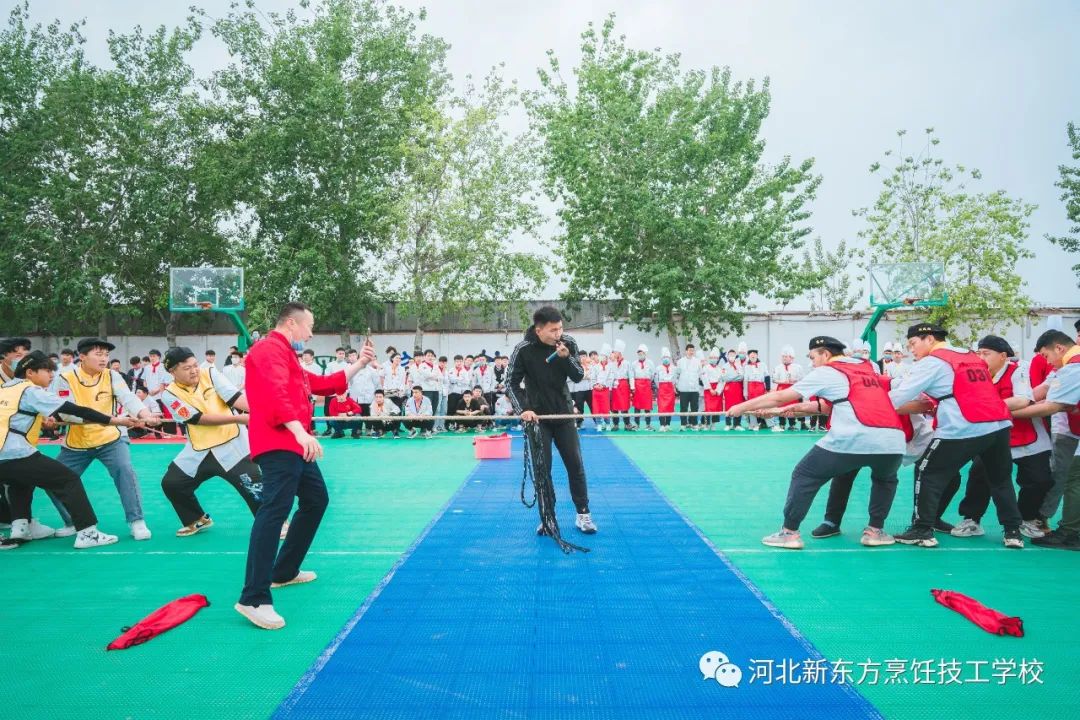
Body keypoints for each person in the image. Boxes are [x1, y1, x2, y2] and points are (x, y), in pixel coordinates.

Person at [235, 302, 376, 631]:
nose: (311, 334)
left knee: (316, 499)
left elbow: (320, 384)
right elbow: (275, 394)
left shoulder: (287, 355)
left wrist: (359, 364)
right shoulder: (268, 349)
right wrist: (299, 431)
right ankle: (253, 597)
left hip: (295, 444)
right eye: (309, 326)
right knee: (274, 512)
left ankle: (284, 571)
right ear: (291, 323)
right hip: (279, 443)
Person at [728, 337, 905, 550]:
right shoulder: (868, 370)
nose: (812, 363)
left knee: (805, 474)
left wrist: (740, 407)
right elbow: (828, 406)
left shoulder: (828, 371)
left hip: (854, 436)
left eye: (813, 357)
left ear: (825, 354)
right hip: (893, 440)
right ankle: (875, 531)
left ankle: (789, 533)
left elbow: (781, 396)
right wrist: (782, 411)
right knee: (885, 480)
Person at [887, 323, 1024, 549]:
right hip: (998, 425)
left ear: (929, 339)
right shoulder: (970, 356)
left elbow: (900, 395)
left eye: (913, 343)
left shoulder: (933, 361)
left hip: (964, 426)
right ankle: (1013, 532)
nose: (911, 349)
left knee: (927, 471)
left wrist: (867, 406)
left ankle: (922, 529)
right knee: (1000, 479)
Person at [1, 351, 137, 549]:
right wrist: (115, 420)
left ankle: (20, 529)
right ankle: (88, 533)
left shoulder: (5, 388)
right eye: (47, 371)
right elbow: (74, 410)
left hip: (4, 459)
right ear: (30, 372)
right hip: (14, 453)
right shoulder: (31, 391)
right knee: (68, 480)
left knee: (19, 480)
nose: (51, 375)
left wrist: (43, 420)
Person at [53, 338, 163, 540]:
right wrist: (112, 420)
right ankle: (72, 521)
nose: (104, 359)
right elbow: (66, 413)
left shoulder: (112, 375)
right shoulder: (64, 378)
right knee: (52, 479)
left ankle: (136, 521)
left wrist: (146, 414)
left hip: (111, 439)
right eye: (98, 354)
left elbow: (128, 398)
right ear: (82, 357)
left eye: (106, 355)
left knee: (125, 471)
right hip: (77, 442)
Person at [949, 336, 1053, 539]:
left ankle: (1026, 518)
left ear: (1003, 356)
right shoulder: (976, 374)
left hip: (1028, 433)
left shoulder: (1018, 369)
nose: (981, 358)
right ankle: (971, 519)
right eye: (978, 353)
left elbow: (1022, 400)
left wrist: (986, 406)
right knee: (979, 476)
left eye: (986, 353)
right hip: (993, 435)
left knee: (1039, 480)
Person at [507, 306, 596, 538]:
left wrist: (566, 358)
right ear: (539, 330)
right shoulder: (523, 349)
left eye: (560, 328)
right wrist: (524, 409)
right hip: (538, 418)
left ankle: (583, 513)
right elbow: (511, 383)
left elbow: (578, 375)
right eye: (553, 330)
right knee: (542, 468)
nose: (558, 334)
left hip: (563, 413)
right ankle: (548, 516)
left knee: (575, 464)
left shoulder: (568, 343)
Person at [159, 347, 262, 537]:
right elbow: (197, 418)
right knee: (173, 483)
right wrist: (238, 419)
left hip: (233, 446)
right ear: (172, 371)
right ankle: (196, 519)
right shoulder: (169, 394)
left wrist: (261, 412)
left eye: (194, 365)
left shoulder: (211, 373)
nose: (193, 371)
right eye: (186, 368)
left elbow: (234, 397)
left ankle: (277, 523)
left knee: (254, 489)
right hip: (200, 451)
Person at [1011, 329, 1080, 549]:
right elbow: (1040, 393)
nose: (1047, 362)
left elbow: (1050, 406)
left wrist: (1004, 411)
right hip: (1071, 429)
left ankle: (1070, 532)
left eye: (1046, 356)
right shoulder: (1066, 366)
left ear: (1059, 348)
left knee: (1074, 478)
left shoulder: (1073, 368)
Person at [773, 345, 806, 432]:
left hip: (793, 389)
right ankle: (782, 424)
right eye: (783, 356)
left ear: (791, 357)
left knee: (792, 407)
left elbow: (802, 379)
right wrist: (783, 381)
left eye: (786, 356)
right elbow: (774, 379)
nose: (784, 358)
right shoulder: (778, 367)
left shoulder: (798, 367)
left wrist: (794, 381)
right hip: (781, 389)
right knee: (781, 407)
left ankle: (792, 424)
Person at [743, 349, 776, 432]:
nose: (753, 355)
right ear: (748, 356)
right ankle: (753, 424)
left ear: (757, 356)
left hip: (760, 387)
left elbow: (767, 376)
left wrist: (768, 389)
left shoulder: (763, 365)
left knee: (764, 405)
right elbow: (745, 380)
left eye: (754, 354)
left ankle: (771, 424)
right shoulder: (746, 366)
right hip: (751, 388)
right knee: (751, 406)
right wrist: (745, 392)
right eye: (751, 354)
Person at [676, 344, 702, 431]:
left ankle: (694, 424)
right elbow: (677, 375)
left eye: (693, 350)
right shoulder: (680, 362)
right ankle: (683, 424)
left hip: (694, 389)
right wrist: (676, 386)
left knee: (694, 407)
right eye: (690, 350)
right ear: (686, 351)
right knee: (683, 407)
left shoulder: (697, 361)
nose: (691, 352)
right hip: (683, 389)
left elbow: (701, 374)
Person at [608, 340, 632, 431]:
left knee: (625, 405)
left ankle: (627, 423)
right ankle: (615, 424)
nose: (614, 354)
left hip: (624, 385)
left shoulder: (627, 363)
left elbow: (631, 376)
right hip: (614, 386)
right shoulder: (611, 364)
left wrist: (632, 387)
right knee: (614, 406)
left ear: (619, 352)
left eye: (615, 352)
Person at [631, 344, 656, 430]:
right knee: (637, 406)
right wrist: (633, 387)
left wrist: (647, 382)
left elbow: (652, 375)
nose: (640, 355)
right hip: (637, 386)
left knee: (647, 406)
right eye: (639, 354)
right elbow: (632, 375)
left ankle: (648, 425)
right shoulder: (634, 363)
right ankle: (636, 424)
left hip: (647, 386)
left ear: (645, 354)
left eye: (641, 353)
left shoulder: (650, 363)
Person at [589, 344, 612, 432]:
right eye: (601, 355)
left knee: (606, 408)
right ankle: (599, 424)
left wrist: (603, 385)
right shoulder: (595, 366)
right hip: (596, 390)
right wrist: (595, 385)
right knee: (597, 408)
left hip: (605, 390)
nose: (602, 357)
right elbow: (592, 377)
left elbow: (610, 378)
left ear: (607, 357)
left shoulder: (610, 367)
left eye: (604, 356)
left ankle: (608, 424)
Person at [722, 346, 746, 430]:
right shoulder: (725, 366)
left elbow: (742, 376)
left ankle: (737, 424)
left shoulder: (739, 365)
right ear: (727, 356)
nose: (731, 356)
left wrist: (731, 377)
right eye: (730, 355)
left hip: (738, 388)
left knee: (738, 405)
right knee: (728, 405)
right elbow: (725, 378)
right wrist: (736, 376)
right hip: (728, 388)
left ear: (735, 356)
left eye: (733, 355)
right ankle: (728, 424)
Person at [568, 351, 592, 429]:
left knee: (592, 406)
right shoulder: (576, 367)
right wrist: (585, 376)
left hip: (589, 389)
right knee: (579, 406)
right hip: (578, 389)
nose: (582, 358)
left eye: (584, 356)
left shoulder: (591, 366)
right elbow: (575, 377)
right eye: (581, 357)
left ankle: (598, 422)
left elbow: (592, 376)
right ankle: (579, 423)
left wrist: (585, 376)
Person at [702, 348, 725, 430]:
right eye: (712, 357)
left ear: (718, 359)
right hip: (709, 389)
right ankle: (707, 424)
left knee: (717, 407)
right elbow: (704, 379)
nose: (713, 359)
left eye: (715, 358)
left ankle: (714, 424)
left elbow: (722, 381)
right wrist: (710, 389)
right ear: (709, 358)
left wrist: (717, 390)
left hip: (717, 390)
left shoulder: (720, 369)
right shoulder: (705, 368)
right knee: (708, 407)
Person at [446, 355, 470, 432]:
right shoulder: (450, 370)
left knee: (460, 409)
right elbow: (450, 380)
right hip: (452, 393)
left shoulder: (465, 371)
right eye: (457, 361)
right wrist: (460, 380)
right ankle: (448, 424)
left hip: (461, 393)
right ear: (454, 362)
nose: (459, 363)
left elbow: (467, 382)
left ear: (462, 362)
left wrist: (456, 380)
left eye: (460, 361)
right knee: (451, 409)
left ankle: (459, 425)